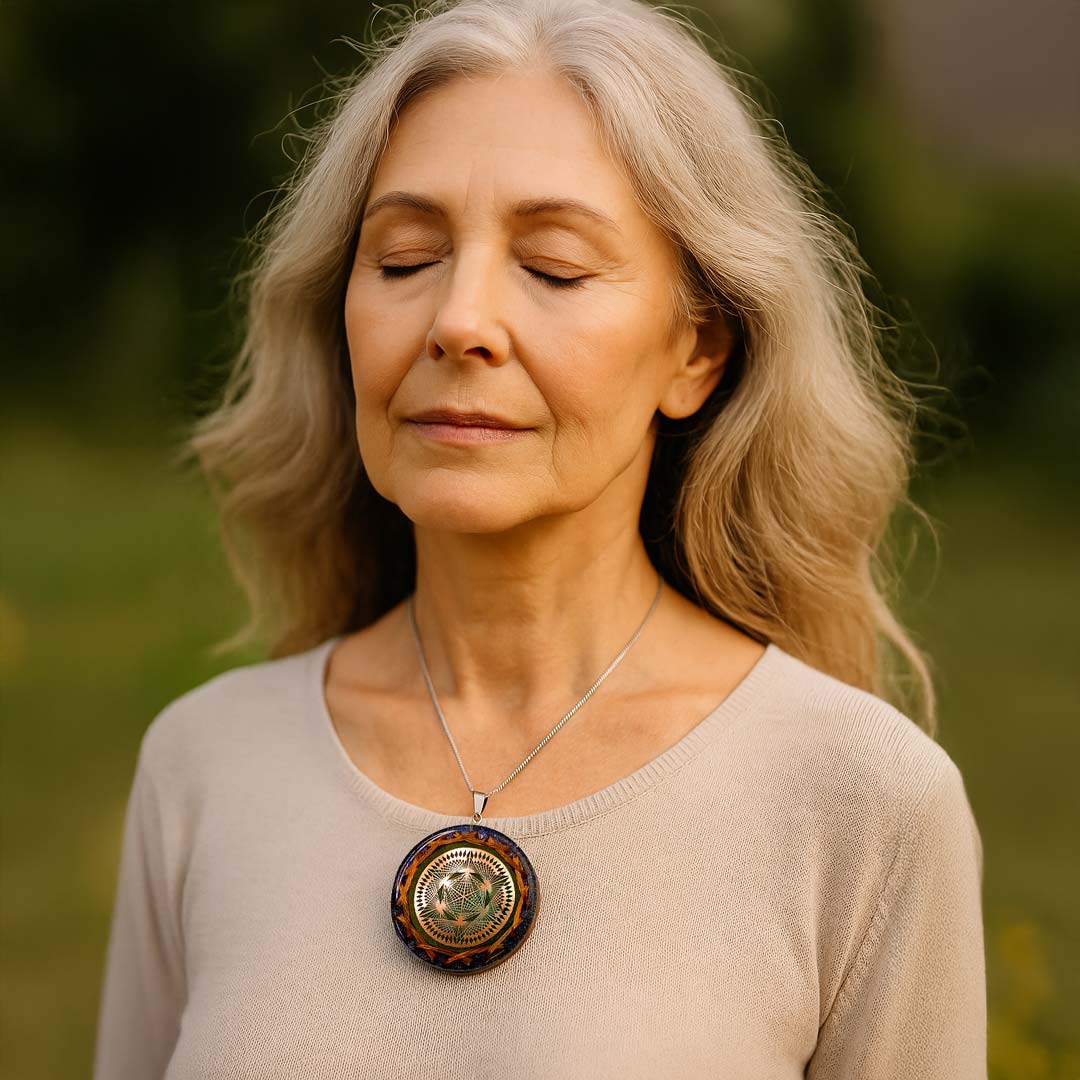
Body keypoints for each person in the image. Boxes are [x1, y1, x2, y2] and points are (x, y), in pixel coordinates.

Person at [92, 0, 987, 1076]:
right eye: (404, 257)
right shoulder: (204, 764)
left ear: (695, 352)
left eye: (554, 267)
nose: (458, 319)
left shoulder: (865, 802)